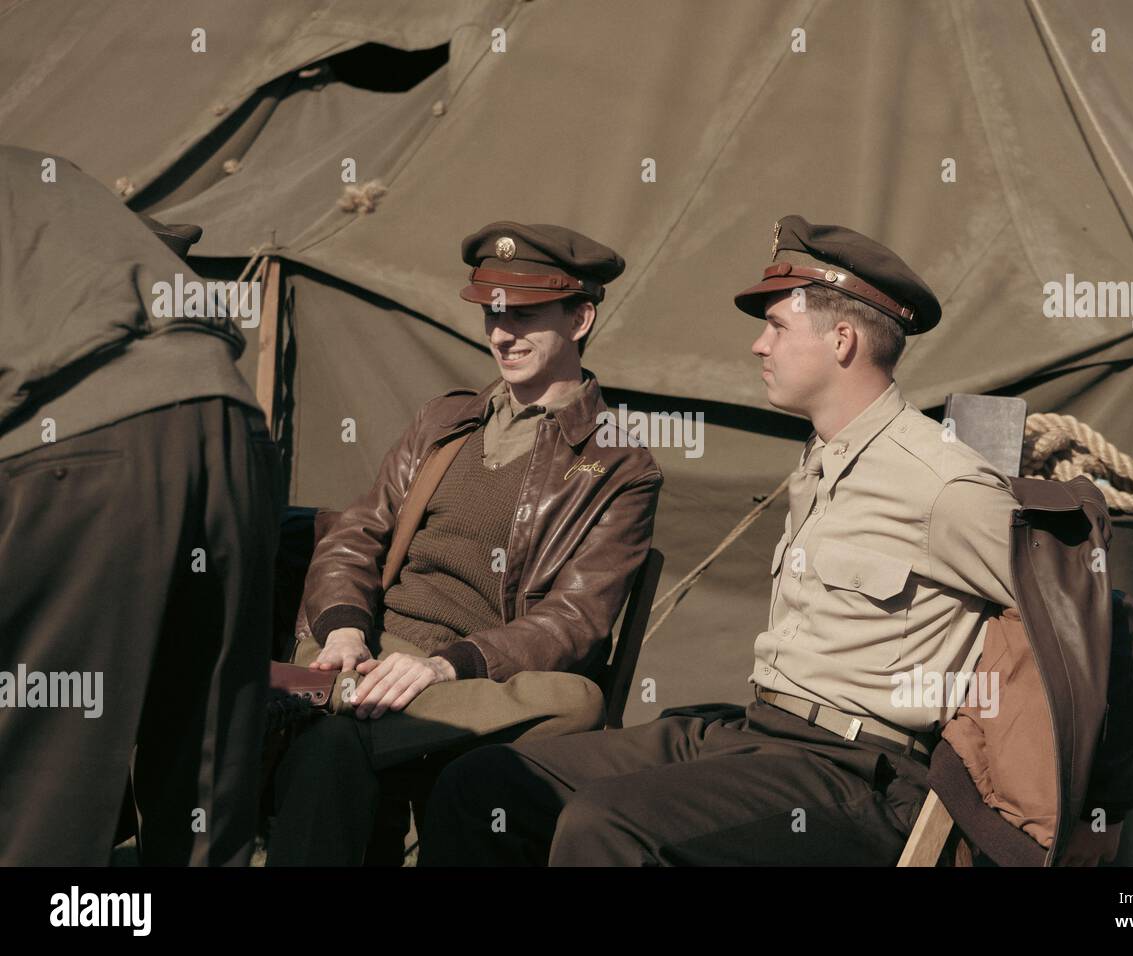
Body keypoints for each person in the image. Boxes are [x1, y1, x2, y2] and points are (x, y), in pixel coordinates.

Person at [421, 214, 1022, 866]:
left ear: (842, 340)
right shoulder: (823, 460)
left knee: (608, 827)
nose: (759, 346)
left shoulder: (943, 481)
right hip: (758, 732)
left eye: (778, 327)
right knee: (486, 783)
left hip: (856, 769)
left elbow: (1079, 625)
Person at [266, 222, 662, 865]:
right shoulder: (442, 421)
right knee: (331, 747)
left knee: (575, 699)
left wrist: (445, 664)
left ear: (581, 317)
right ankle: (334, 696)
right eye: (493, 314)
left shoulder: (619, 464)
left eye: (526, 316)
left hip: (474, 677)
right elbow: (355, 535)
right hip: (369, 650)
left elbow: (576, 621)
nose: (503, 335)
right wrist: (341, 630)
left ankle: (318, 704)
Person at [0, 146, 280, 865]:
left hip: (82, 450)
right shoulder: (39, 170)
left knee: (38, 801)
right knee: (203, 794)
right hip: (229, 420)